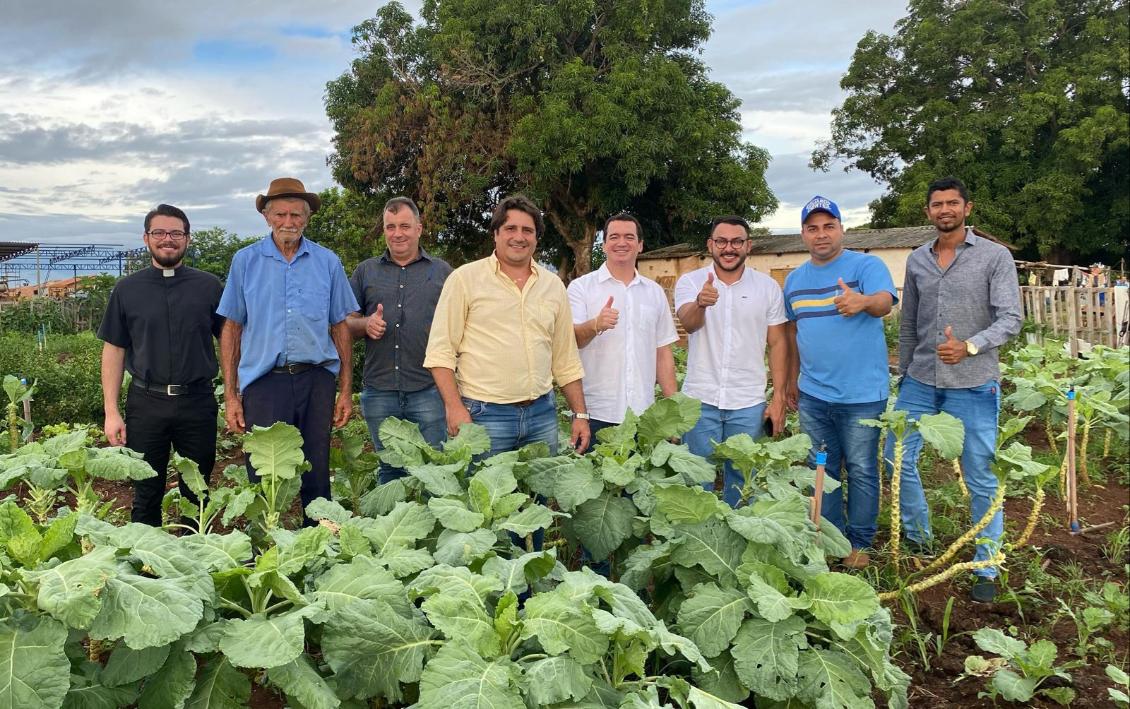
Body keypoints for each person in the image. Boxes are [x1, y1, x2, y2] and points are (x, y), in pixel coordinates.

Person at [890, 176, 1022, 602]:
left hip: (973, 381)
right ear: (928, 212)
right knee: (895, 457)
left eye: (952, 203)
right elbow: (909, 321)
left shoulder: (995, 257)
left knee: (980, 474)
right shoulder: (917, 261)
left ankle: (986, 564)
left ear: (968, 208)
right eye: (936, 204)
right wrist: (906, 369)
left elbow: (1010, 319)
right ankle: (919, 537)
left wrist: (969, 346)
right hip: (921, 380)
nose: (944, 210)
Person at [218, 177, 359, 523]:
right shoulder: (245, 262)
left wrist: (344, 390)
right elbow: (232, 327)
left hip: (316, 381)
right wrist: (232, 395)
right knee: (264, 474)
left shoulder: (327, 262)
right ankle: (265, 553)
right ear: (267, 217)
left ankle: (318, 549)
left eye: (296, 215)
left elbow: (340, 326)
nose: (288, 222)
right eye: (280, 214)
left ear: (307, 218)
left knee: (317, 470)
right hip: (264, 384)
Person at [424, 194, 590, 458]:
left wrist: (580, 414)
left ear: (536, 238)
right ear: (495, 234)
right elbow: (440, 352)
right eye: (510, 228)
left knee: (538, 497)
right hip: (484, 416)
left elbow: (565, 359)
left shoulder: (553, 286)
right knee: (486, 496)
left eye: (527, 230)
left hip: (542, 415)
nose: (519, 237)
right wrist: (454, 407)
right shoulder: (465, 280)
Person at [783, 196, 896, 569]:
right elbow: (795, 333)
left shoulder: (866, 265)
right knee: (822, 469)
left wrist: (862, 301)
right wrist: (791, 382)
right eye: (813, 228)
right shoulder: (795, 281)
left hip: (863, 395)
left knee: (862, 468)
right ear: (803, 234)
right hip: (814, 396)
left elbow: (884, 302)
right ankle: (831, 540)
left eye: (828, 226)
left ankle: (861, 544)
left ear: (841, 229)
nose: (821, 234)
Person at [98, 204, 224, 526]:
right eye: (159, 233)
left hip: (197, 402)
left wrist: (235, 394)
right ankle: (146, 568)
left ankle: (193, 563)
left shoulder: (209, 287)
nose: (168, 239)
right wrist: (111, 411)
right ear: (146, 238)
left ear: (187, 239)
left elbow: (230, 342)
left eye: (176, 233)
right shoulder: (127, 290)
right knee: (146, 492)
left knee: (196, 493)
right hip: (146, 404)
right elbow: (114, 349)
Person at [674, 216, 789, 507]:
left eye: (737, 241)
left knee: (743, 483)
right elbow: (688, 324)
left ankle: (736, 547)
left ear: (748, 246)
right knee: (696, 482)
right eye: (722, 241)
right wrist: (701, 303)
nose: (729, 248)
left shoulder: (767, 288)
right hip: (700, 400)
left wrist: (778, 399)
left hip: (747, 401)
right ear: (710, 245)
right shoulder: (690, 282)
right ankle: (696, 546)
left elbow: (777, 343)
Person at [347, 197, 452, 481]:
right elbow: (345, 324)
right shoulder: (365, 271)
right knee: (390, 469)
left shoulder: (442, 272)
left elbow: (460, 329)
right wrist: (365, 324)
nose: (397, 233)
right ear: (384, 230)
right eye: (390, 227)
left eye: (404, 226)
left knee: (435, 470)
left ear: (419, 228)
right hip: (379, 391)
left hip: (429, 388)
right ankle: (392, 525)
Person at [567, 212, 678, 437]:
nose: (621, 242)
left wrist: (673, 414)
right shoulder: (581, 288)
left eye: (629, 237)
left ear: (640, 245)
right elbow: (571, 341)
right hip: (596, 412)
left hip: (642, 414)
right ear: (604, 244)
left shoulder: (654, 292)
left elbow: (663, 353)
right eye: (614, 237)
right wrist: (595, 325)